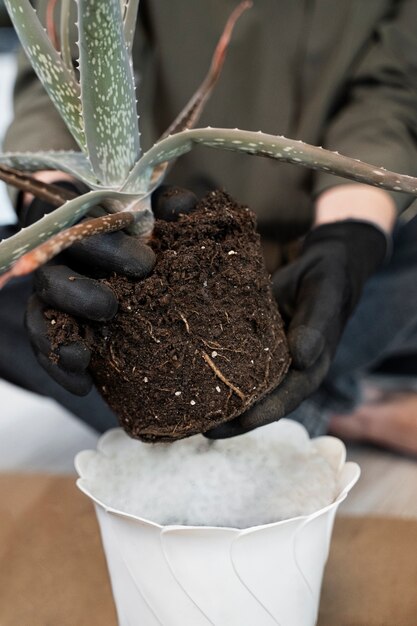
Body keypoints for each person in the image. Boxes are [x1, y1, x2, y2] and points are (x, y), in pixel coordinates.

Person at [2, 0, 417, 453]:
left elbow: (394, 90)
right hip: (176, 219)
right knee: (40, 303)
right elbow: (67, 68)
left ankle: (308, 410)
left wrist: (349, 239)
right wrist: (54, 212)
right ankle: (335, 411)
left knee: (368, 286)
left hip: (335, 224)